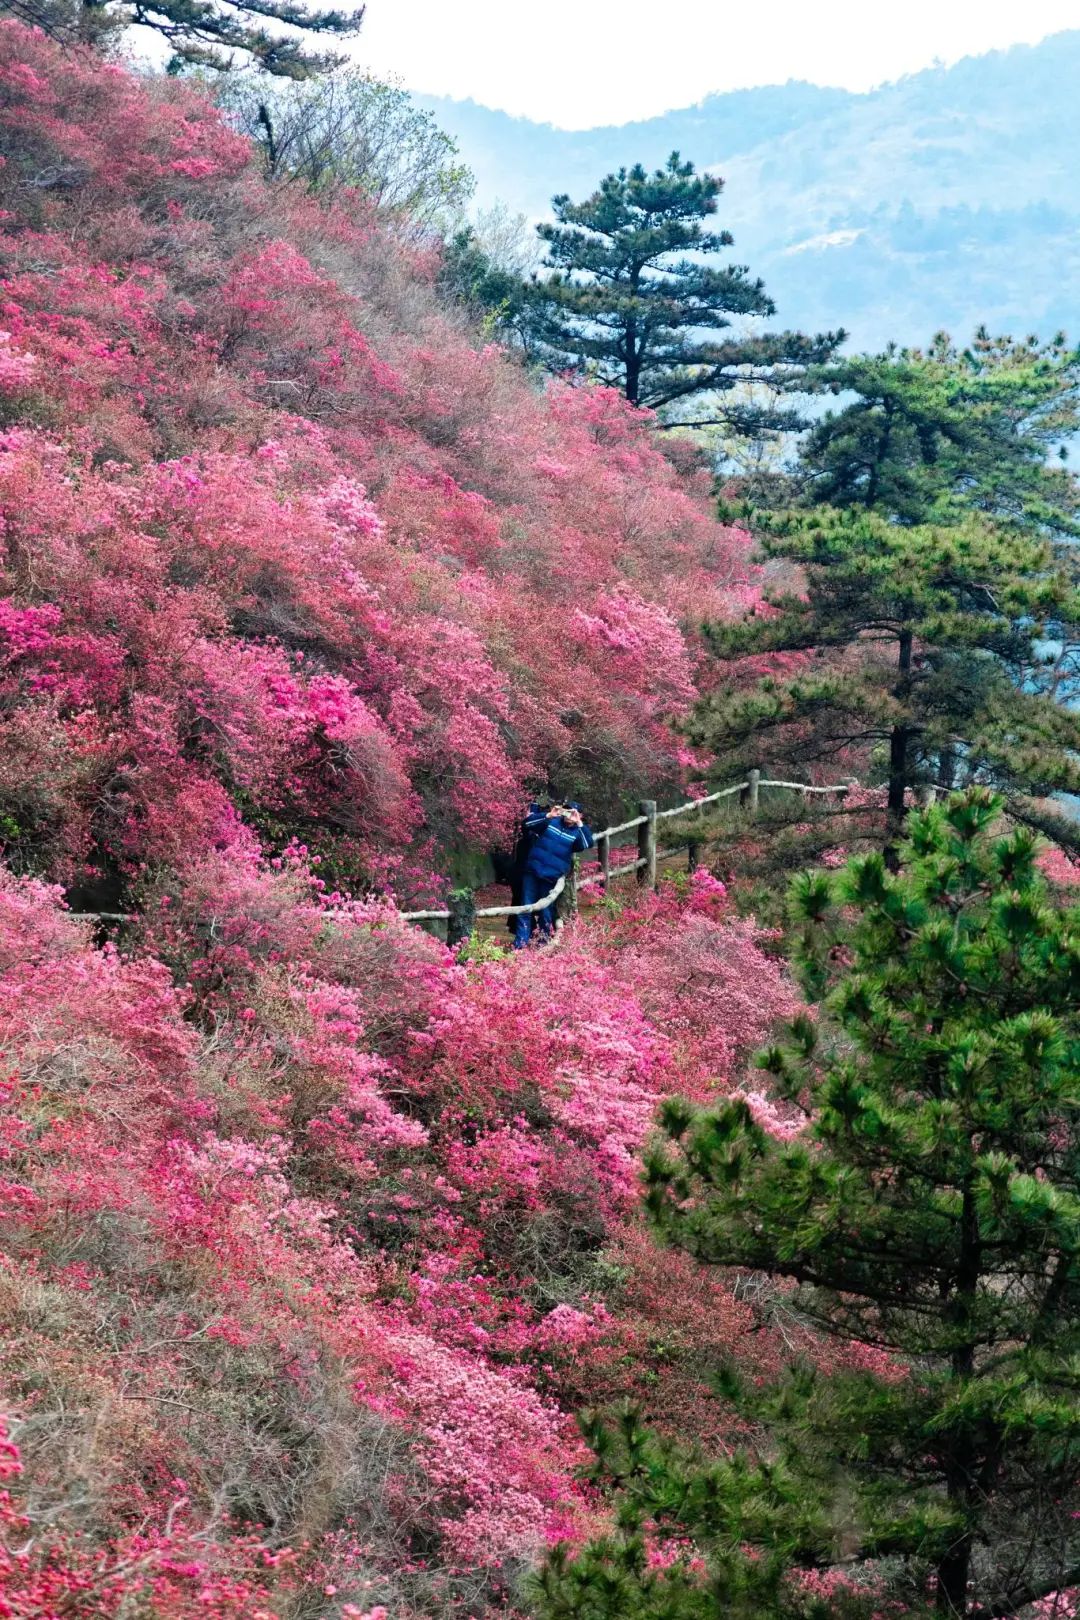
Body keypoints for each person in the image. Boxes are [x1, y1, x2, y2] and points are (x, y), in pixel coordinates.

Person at [513, 800, 593, 949]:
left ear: (580, 815)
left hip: (551, 877)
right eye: (567, 810)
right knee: (525, 907)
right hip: (533, 871)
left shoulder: (577, 833)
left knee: (546, 912)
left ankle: (543, 943)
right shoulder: (551, 822)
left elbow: (587, 844)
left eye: (573, 812)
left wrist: (579, 823)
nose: (569, 814)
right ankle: (520, 945)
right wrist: (548, 815)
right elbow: (527, 824)